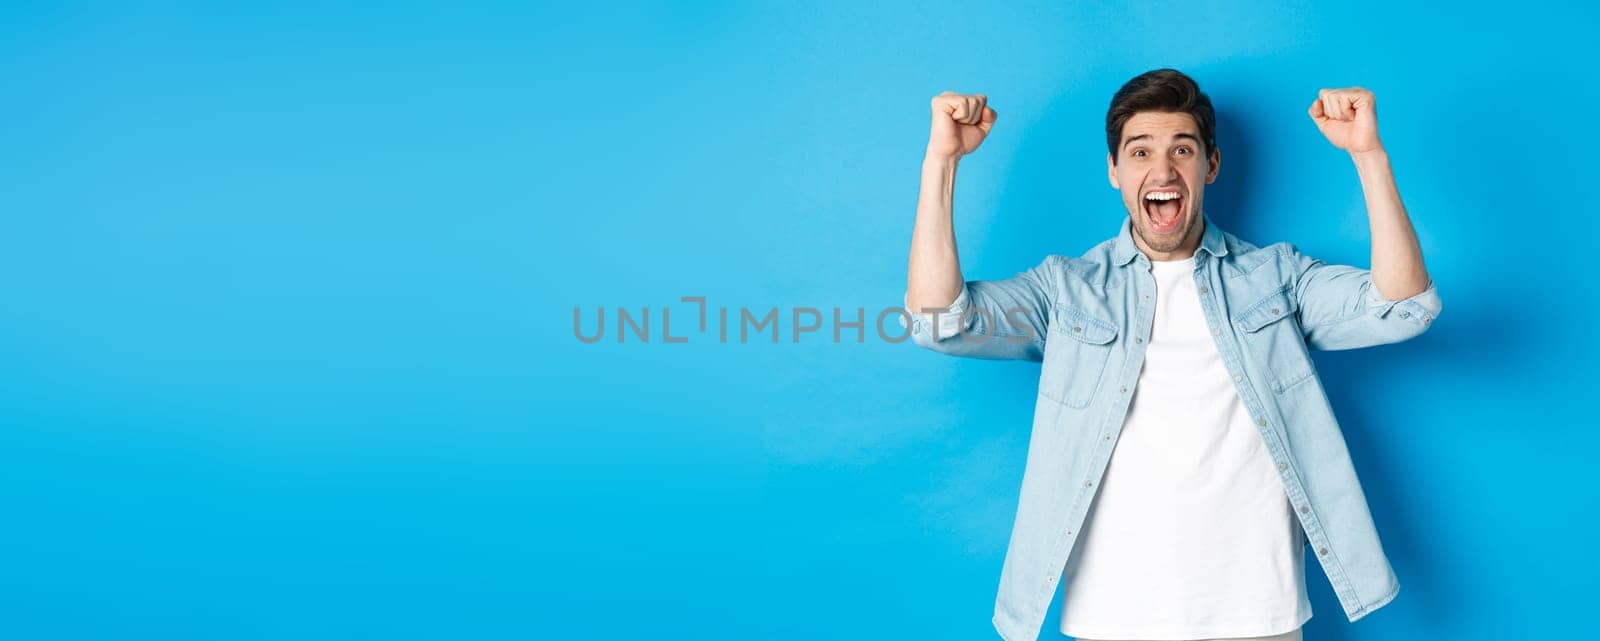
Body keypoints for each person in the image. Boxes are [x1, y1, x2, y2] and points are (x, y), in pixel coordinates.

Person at [901, 69, 1441, 641]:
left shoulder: (1275, 277)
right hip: (1112, 615)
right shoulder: (1065, 290)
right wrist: (942, 163)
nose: (1162, 171)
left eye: (1182, 150)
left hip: (1259, 610)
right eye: (1140, 152)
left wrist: (1369, 155)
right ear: (1115, 171)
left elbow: (1405, 308)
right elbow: (938, 323)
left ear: (1210, 166)